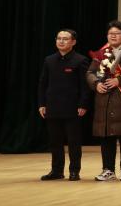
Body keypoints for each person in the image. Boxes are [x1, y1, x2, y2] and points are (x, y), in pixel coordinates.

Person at [86, 21, 121, 181]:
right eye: (110, 33)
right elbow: (90, 72)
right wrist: (96, 84)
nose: (113, 36)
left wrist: (119, 80)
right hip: (104, 99)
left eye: (117, 33)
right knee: (106, 137)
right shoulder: (102, 53)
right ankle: (108, 170)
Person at [37, 29, 91, 181]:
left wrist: (83, 104)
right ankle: (56, 171)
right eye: (59, 38)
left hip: (73, 108)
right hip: (52, 106)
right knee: (55, 141)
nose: (61, 41)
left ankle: (74, 171)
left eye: (65, 39)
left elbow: (85, 86)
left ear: (73, 42)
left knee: (74, 142)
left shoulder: (80, 60)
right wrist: (42, 104)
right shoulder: (49, 60)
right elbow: (42, 84)